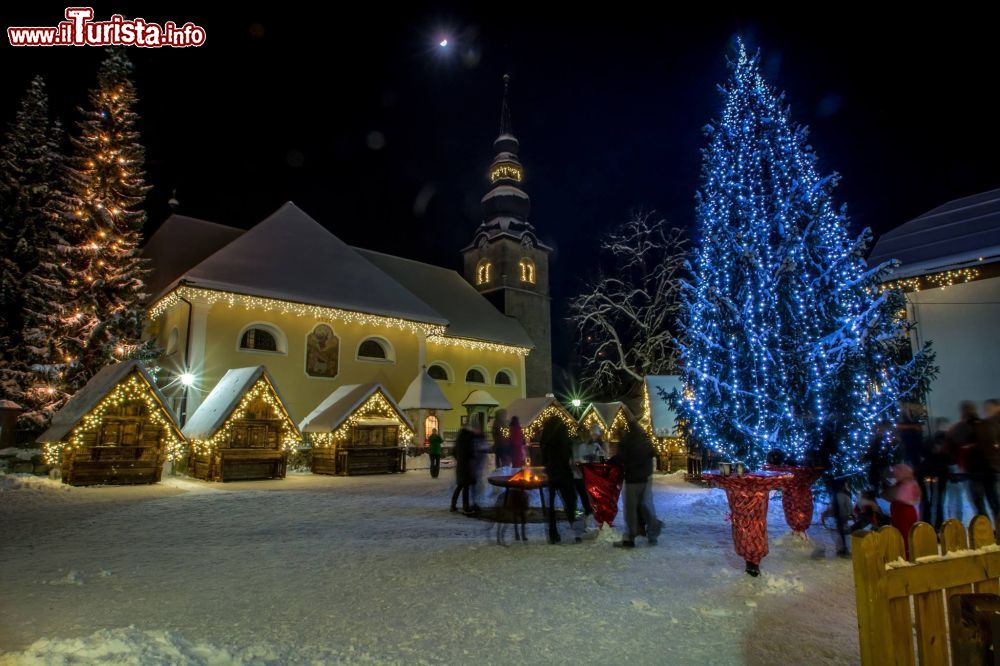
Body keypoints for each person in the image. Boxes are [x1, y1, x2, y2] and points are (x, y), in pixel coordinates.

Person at [610, 418, 661, 548]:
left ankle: (629, 538)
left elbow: (622, 458)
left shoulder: (627, 440)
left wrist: (611, 461)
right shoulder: (645, 439)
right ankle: (653, 532)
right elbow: (654, 453)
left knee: (630, 509)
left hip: (632, 478)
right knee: (646, 505)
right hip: (645, 478)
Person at [948, 401, 999, 522]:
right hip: (990, 469)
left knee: (979, 504)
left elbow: (953, 446)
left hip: (974, 471)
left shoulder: (962, 428)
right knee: (994, 502)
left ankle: (985, 531)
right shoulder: (986, 425)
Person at [540, 417, 582, 544]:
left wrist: (548, 466)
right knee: (570, 501)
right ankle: (576, 531)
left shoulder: (546, 436)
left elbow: (543, 455)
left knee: (551, 506)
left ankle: (553, 535)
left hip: (551, 473)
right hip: (563, 473)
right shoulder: (562, 432)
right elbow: (565, 452)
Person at [572, 424, 607, 528]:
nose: (593, 437)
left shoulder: (597, 446)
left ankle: (594, 517)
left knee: (592, 498)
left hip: (592, 475)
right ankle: (587, 516)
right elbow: (578, 459)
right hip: (581, 475)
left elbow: (602, 458)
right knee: (584, 497)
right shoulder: (581, 445)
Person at [884, 463, 921, 558]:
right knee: (906, 533)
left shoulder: (903, 485)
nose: (894, 476)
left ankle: (906, 555)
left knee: (904, 534)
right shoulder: (910, 483)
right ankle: (906, 553)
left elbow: (890, 496)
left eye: (895, 474)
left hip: (903, 512)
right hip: (905, 511)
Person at [450, 427, 478, 515]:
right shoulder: (468, 442)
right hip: (467, 467)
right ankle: (466, 507)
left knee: (460, 486)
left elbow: (454, 452)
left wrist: (459, 459)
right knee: (465, 487)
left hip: (460, 466)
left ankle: (453, 505)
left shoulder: (459, 441)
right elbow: (472, 454)